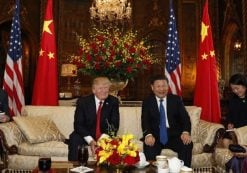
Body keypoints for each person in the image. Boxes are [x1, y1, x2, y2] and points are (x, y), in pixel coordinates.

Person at [141, 75, 193, 167]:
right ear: (152, 87)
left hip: (174, 135)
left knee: (187, 144)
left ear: (168, 86)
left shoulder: (176, 100)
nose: (162, 89)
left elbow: (185, 118)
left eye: (164, 86)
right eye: (158, 86)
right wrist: (148, 135)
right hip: (155, 136)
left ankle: (184, 170)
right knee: (149, 146)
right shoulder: (148, 101)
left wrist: (185, 132)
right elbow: (145, 120)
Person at [68, 77, 120, 161]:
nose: (104, 91)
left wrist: (102, 141)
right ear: (93, 90)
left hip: (104, 135)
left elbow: (114, 124)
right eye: (100, 88)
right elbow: (78, 124)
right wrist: (91, 141)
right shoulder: (83, 102)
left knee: (115, 142)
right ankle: (74, 167)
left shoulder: (113, 101)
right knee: (74, 138)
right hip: (86, 134)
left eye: (106, 88)